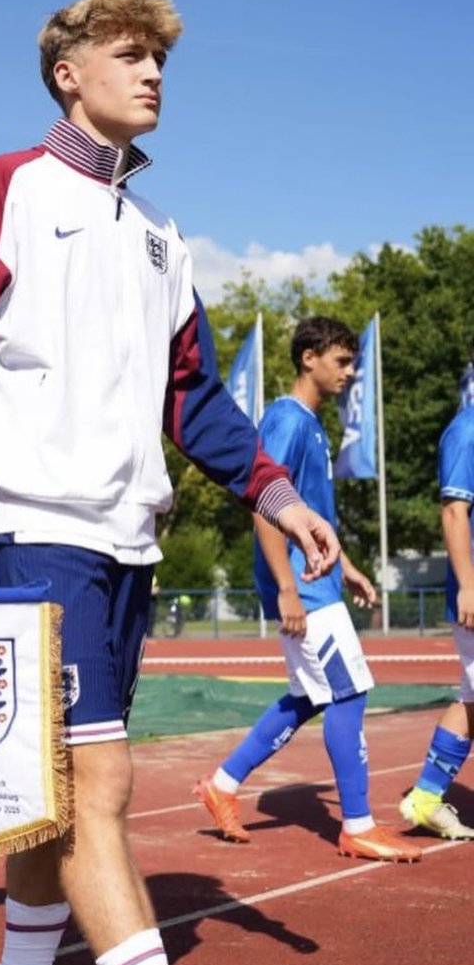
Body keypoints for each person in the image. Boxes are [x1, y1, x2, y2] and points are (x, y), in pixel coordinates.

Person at [0, 0, 340, 965]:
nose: (151, 75)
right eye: (130, 56)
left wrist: (276, 493)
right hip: (32, 535)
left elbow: (190, 397)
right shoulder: (5, 188)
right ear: (68, 72)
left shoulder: (158, 238)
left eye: (161, 61)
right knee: (101, 794)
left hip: (125, 542)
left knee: (56, 797)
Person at [195, 318, 423, 863]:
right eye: (342, 361)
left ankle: (222, 786)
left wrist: (346, 564)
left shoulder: (313, 427)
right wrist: (287, 591)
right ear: (308, 359)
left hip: (318, 582)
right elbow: (263, 509)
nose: (349, 372)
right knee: (348, 691)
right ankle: (358, 826)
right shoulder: (287, 420)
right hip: (303, 591)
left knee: (309, 696)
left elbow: (309, 512)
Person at [397, 405, 474, 839]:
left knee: (470, 701)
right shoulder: (466, 431)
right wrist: (467, 585)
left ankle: (426, 797)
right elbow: (453, 512)